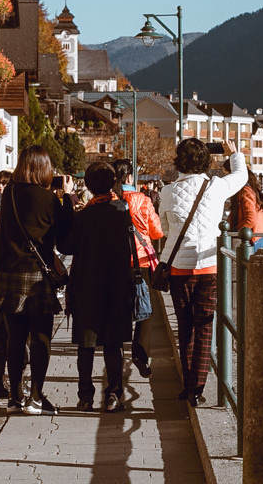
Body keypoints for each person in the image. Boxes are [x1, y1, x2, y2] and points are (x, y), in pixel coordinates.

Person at [159, 138, 248, 405]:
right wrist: (235, 154)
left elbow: (164, 229)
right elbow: (241, 176)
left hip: (179, 270)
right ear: (205, 162)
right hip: (210, 267)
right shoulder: (217, 186)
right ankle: (197, 388)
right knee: (205, 327)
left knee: (185, 328)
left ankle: (188, 387)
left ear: (179, 161)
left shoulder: (167, 192)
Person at [0, 144, 75, 415]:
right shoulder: (49, 199)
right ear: (45, 169)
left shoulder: (9, 194)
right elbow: (66, 242)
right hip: (36, 276)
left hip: (8, 274)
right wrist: (68, 201)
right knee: (40, 338)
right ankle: (36, 397)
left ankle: (14, 397)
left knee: (15, 337)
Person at [61, 162, 134, 412]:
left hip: (86, 285)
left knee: (86, 344)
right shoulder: (123, 211)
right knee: (113, 344)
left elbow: (66, 246)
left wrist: (67, 205)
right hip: (117, 285)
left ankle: (85, 396)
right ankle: (114, 394)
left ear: (89, 187)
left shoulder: (85, 216)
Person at [111, 157, 162, 377]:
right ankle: (140, 354)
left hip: (117, 262)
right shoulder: (143, 199)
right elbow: (157, 232)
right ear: (130, 177)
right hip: (141, 262)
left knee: (118, 308)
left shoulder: (108, 200)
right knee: (146, 310)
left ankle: (117, 353)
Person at [225, 159, 263, 250]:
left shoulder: (245, 191)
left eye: (226, 174)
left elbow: (251, 219)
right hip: (255, 237)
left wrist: (236, 231)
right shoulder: (247, 189)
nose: (225, 177)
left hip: (250, 240)